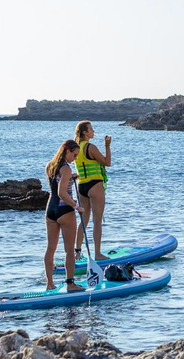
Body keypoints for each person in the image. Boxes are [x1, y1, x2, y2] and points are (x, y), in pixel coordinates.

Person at [44, 139, 85, 292]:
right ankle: (70, 284)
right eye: (74, 156)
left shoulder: (50, 165)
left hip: (50, 210)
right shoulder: (66, 168)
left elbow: (58, 183)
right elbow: (62, 192)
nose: (74, 159)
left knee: (51, 248)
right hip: (65, 210)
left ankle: (49, 283)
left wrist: (72, 177)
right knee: (69, 250)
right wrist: (76, 206)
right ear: (68, 152)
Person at [74, 121, 111, 261]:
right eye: (91, 129)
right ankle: (97, 254)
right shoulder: (91, 147)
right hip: (94, 184)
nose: (93, 131)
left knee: (83, 220)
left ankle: (77, 252)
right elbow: (107, 162)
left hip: (82, 185)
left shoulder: (76, 147)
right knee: (97, 221)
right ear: (84, 132)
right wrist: (107, 146)